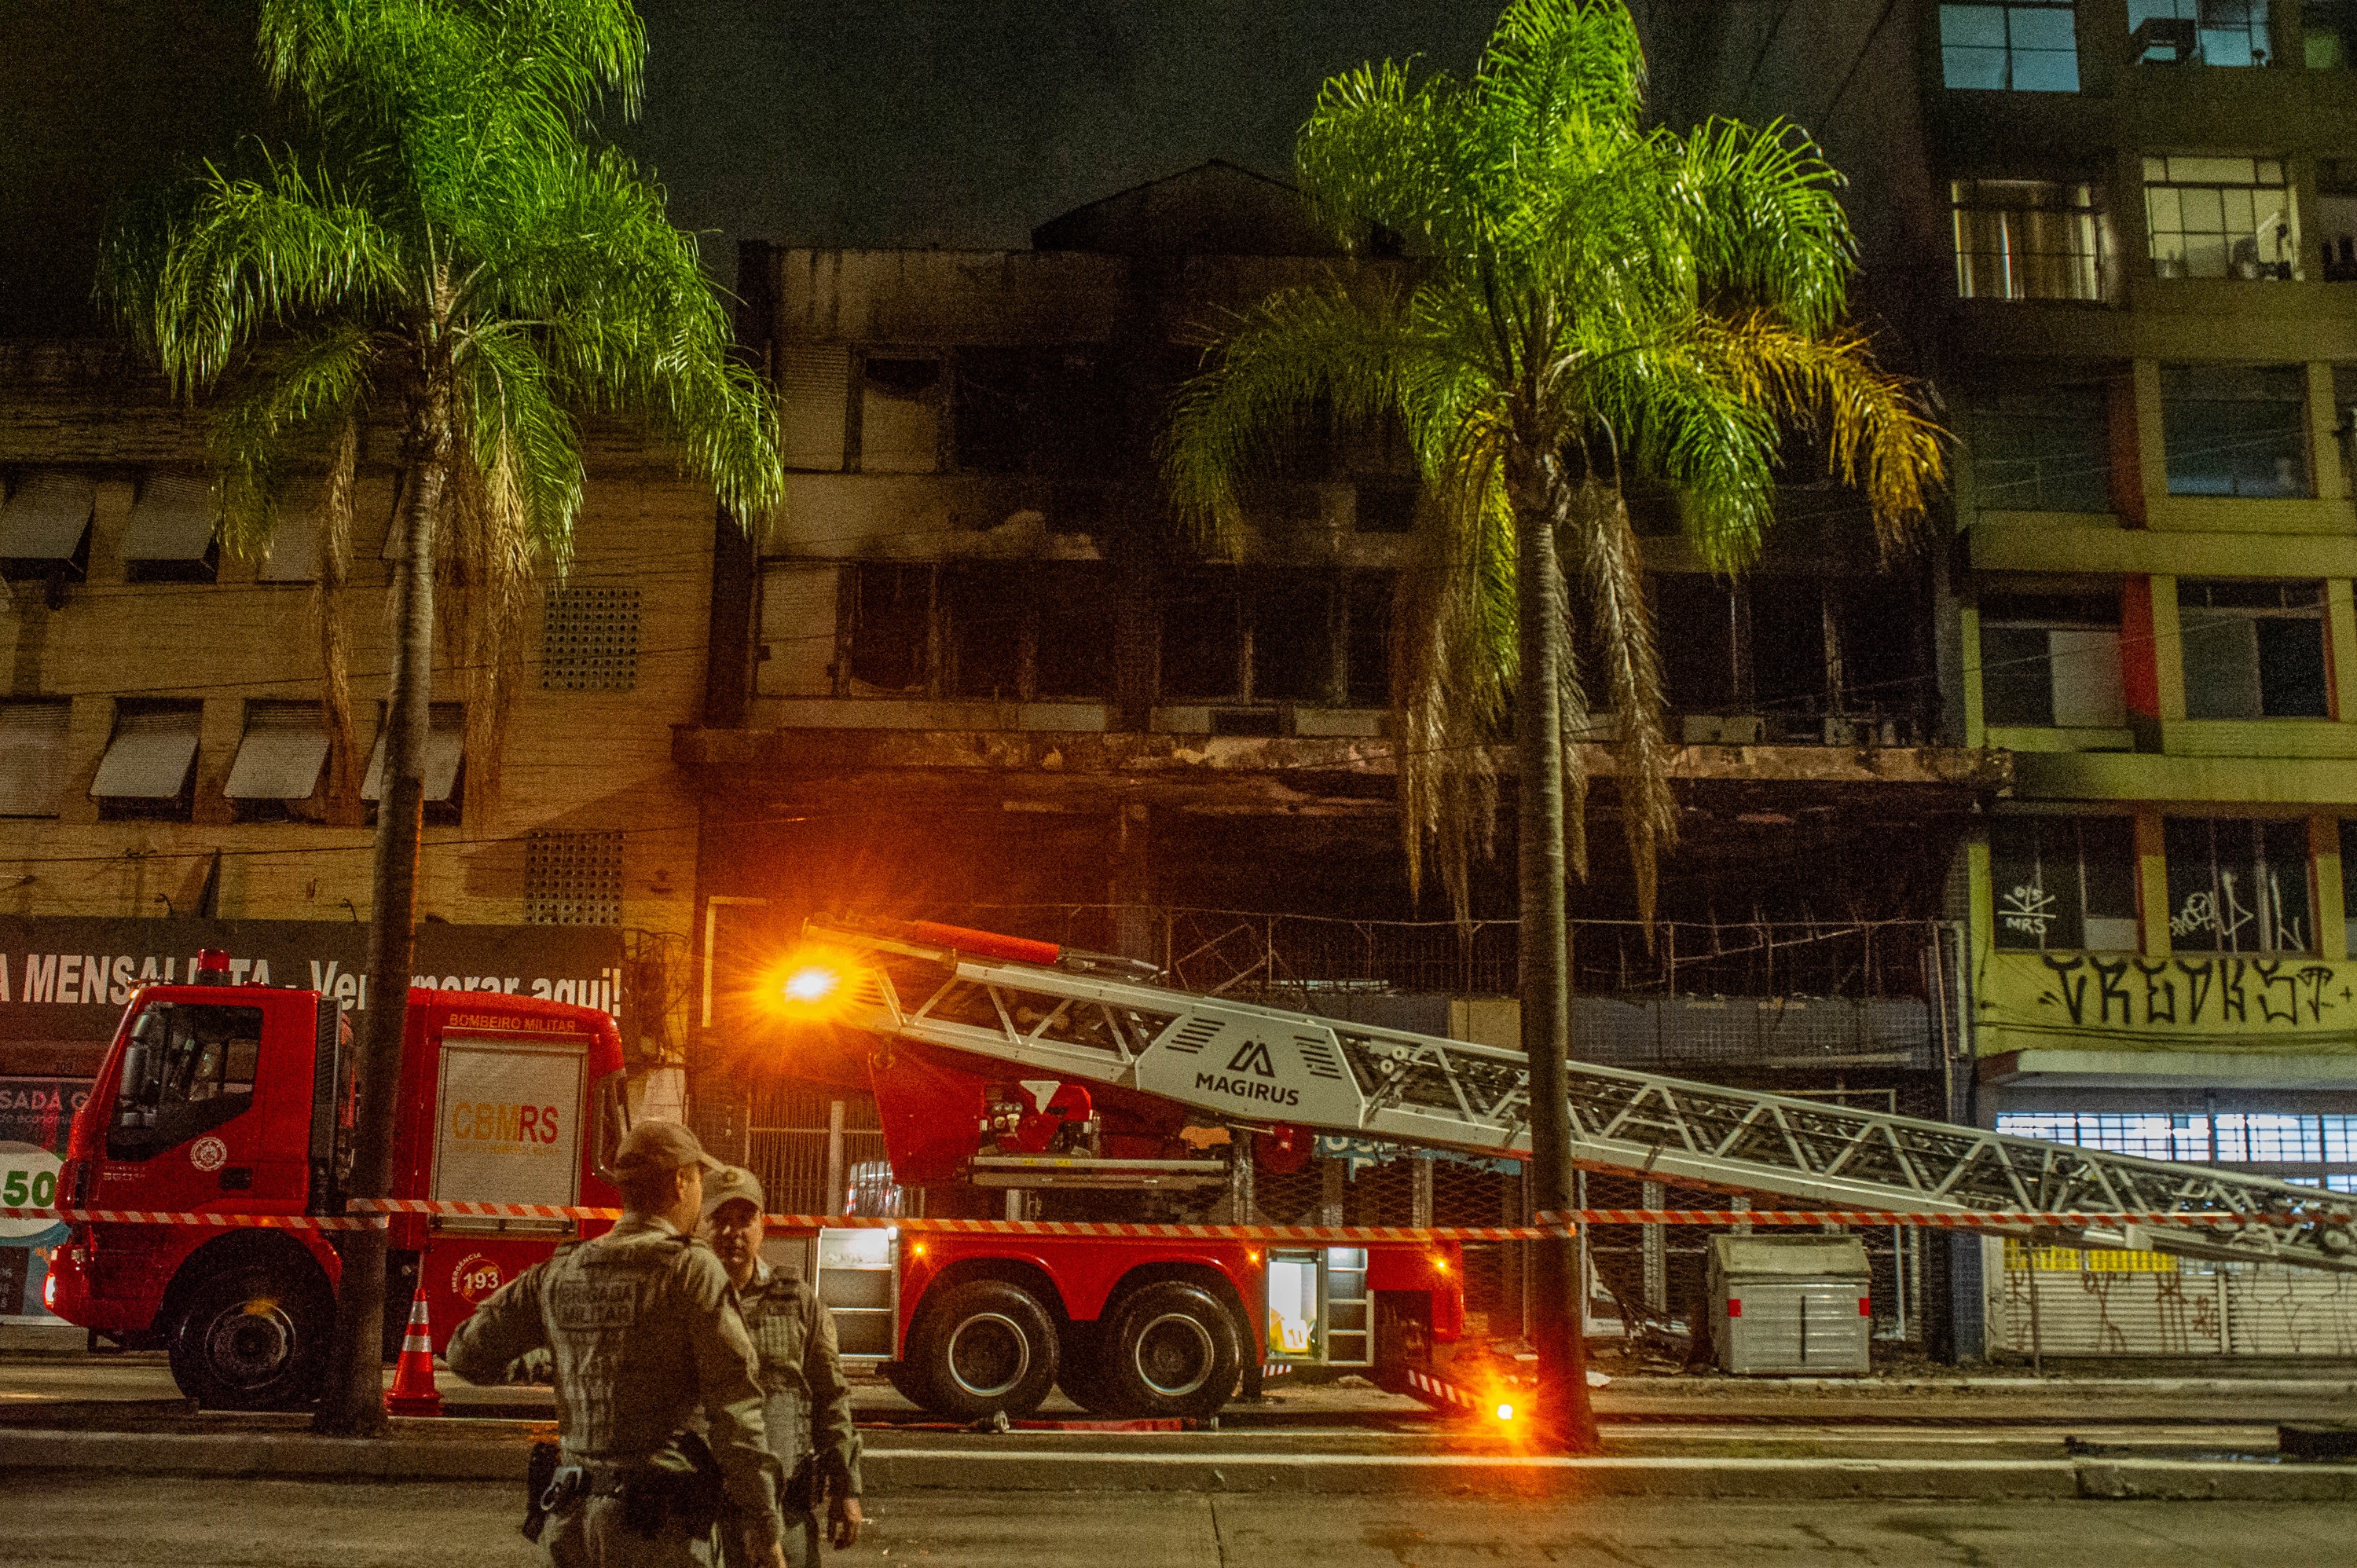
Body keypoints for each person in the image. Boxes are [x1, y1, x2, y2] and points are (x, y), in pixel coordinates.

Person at [447, 1122, 788, 1568]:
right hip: (656, 1530)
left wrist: (557, 1358)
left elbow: (465, 1355)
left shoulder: (561, 1269)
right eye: (698, 1180)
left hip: (572, 1524)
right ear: (680, 1182)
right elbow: (735, 1407)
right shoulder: (690, 1269)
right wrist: (763, 1523)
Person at [699, 1166, 863, 1566]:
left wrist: (846, 1488)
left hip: (786, 1508)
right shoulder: (688, 1302)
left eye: (745, 1219)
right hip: (703, 1516)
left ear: (763, 1226)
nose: (733, 1233)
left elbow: (830, 1395)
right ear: (702, 1226)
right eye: (720, 1220)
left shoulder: (798, 1301)